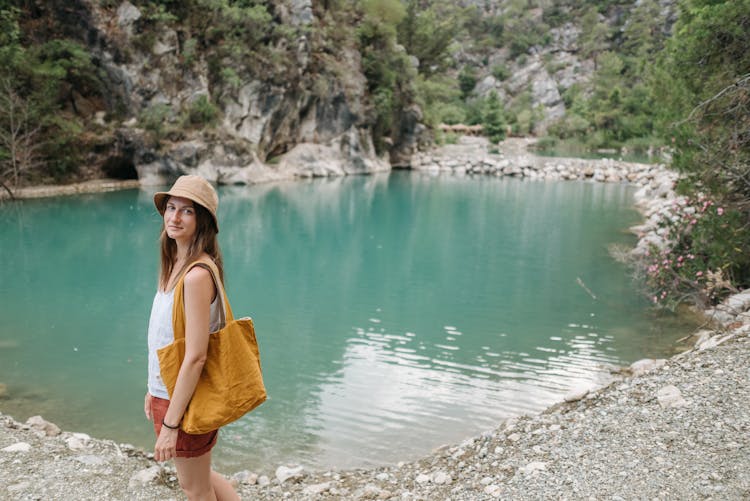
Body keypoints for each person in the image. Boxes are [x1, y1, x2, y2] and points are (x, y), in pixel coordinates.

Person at [144, 175, 240, 501]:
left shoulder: (196, 275)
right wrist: (151, 389)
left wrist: (171, 425)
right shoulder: (175, 265)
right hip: (167, 391)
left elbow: (196, 355)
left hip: (182, 398)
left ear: (203, 221)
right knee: (203, 476)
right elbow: (163, 338)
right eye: (171, 208)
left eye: (187, 211)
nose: (174, 217)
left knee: (194, 488)